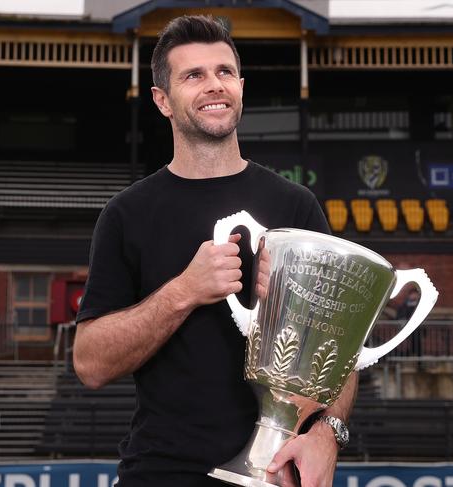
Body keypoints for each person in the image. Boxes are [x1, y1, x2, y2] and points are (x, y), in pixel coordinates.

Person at [73, 15, 358, 487]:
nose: (214, 85)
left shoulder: (295, 206)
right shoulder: (128, 214)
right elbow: (90, 363)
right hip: (162, 474)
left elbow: (341, 350)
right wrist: (185, 290)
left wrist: (328, 435)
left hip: (276, 474)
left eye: (224, 72)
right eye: (193, 75)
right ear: (162, 101)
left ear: (241, 87)